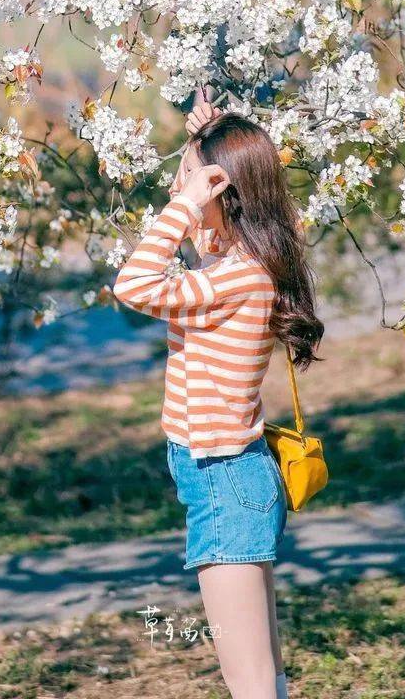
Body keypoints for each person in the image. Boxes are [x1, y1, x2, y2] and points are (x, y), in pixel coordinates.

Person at [113, 88, 324, 699]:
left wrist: (181, 205)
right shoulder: (244, 258)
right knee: (264, 680)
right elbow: (205, 245)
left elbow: (134, 283)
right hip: (226, 474)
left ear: (216, 193)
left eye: (190, 183)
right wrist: (195, 144)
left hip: (226, 478)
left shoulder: (236, 277)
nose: (179, 192)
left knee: (252, 686)